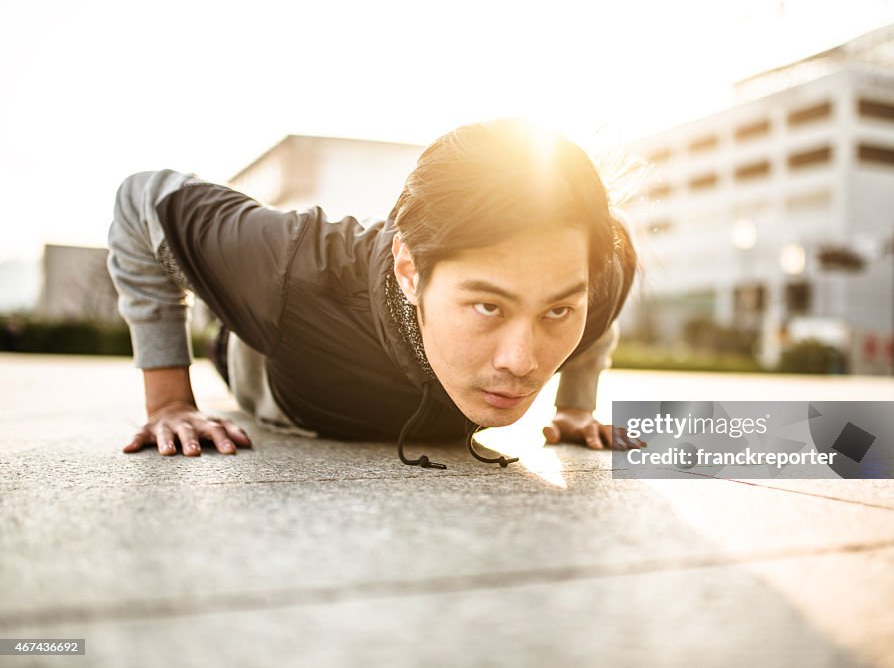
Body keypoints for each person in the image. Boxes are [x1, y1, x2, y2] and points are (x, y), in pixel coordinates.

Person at [107, 118, 643, 469]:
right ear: (410, 272)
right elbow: (139, 201)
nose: (522, 362)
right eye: (487, 306)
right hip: (265, 347)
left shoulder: (598, 268)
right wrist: (169, 399)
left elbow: (597, 309)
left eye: (557, 310)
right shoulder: (293, 267)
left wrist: (575, 406)